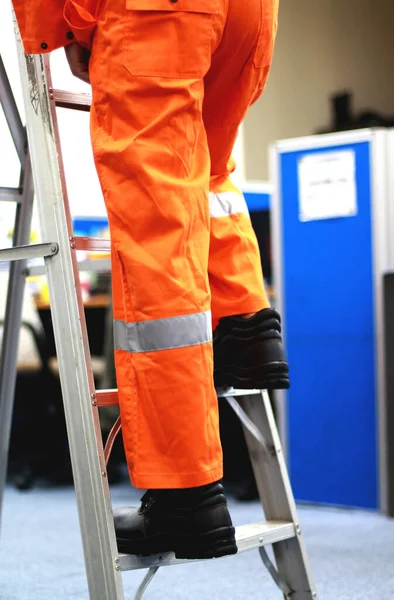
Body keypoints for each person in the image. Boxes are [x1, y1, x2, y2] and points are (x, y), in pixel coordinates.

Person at [13, 0, 287, 559]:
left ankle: (186, 495)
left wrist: (60, 31)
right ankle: (247, 327)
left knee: (157, 229)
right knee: (207, 169)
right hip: (252, 14)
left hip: (157, 14)